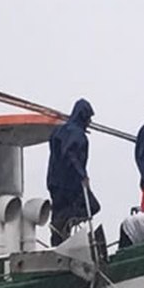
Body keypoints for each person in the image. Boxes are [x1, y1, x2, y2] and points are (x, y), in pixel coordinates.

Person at [46, 99, 101, 246]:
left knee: (58, 210)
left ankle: (58, 242)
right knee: (92, 206)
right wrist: (82, 175)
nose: (89, 121)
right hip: (70, 183)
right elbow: (70, 154)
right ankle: (64, 222)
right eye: (88, 118)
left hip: (54, 181)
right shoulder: (77, 135)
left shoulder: (58, 131)